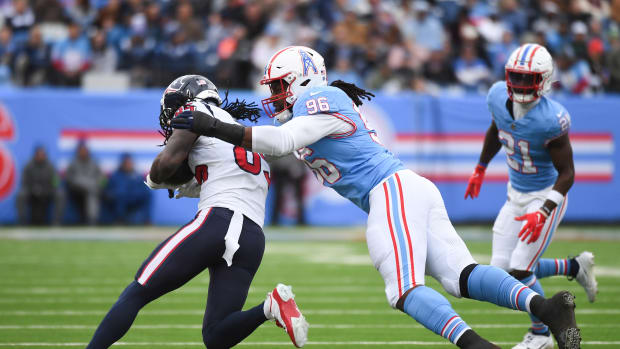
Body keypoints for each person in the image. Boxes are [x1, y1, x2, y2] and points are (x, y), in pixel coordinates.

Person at [171, 46, 581, 349]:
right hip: (405, 188)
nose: (275, 95)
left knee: (401, 290)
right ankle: (547, 309)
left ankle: (480, 347)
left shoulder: (322, 98)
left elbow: (279, 141)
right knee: (460, 277)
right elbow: (265, 150)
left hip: (389, 190)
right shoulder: (312, 108)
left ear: (302, 81)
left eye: (280, 86)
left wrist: (211, 125)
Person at [85, 75, 308, 349]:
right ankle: (270, 307)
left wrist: (156, 178)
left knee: (138, 291)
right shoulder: (238, 132)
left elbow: (163, 168)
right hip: (252, 237)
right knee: (216, 336)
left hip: (218, 222)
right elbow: (209, 173)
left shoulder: (195, 111)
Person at [464, 43, 598, 349]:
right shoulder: (498, 95)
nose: (522, 86)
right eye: (517, 77)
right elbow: (496, 129)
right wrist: (480, 168)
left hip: (545, 195)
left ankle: (540, 336)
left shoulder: (552, 118)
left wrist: (544, 210)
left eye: (529, 79)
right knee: (501, 271)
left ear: (546, 79)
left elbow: (568, 174)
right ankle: (573, 267)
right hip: (516, 194)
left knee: (521, 268)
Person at [16, 145, 64, 225]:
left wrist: (47, 189)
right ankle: (22, 222)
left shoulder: (51, 166)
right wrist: (34, 188)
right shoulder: (28, 166)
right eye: (39, 154)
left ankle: (56, 222)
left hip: (48, 192)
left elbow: (56, 182)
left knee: (60, 194)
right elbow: (24, 182)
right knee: (21, 195)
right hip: (31, 192)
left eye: (43, 154)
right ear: (35, 155)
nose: (41, 156)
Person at [103, 153, 151, 224]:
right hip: (120, 198)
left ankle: (146, 220)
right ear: (122, 163)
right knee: (120, 195)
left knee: (148, 194)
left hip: (133, 197)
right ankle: (120, 219)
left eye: (130, 163)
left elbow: (142, 187)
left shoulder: (136, 175)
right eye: (126, 163)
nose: (128, 165)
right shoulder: (116, 175)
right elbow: (109, 189)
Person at [65, 140, 104, 225]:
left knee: (92, 192)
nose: (83, 152)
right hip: (75, 190)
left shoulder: (94, 163)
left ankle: (92, 220)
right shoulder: (73, 163)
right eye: (81, 150)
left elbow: (101, 177)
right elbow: (68, 178)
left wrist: (95, 184)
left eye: (85, 150)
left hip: (92, 189)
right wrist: (83, 183)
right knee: (89, 187)